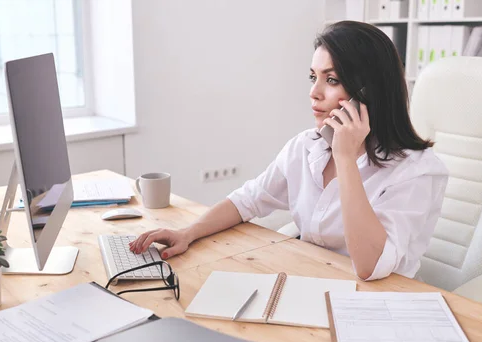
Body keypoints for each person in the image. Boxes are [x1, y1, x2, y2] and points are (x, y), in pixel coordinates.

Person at [130, 21, 448, 281]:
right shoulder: (306, 147)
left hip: (382, 304)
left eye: (332, 79)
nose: (314, 92)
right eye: (313, 77)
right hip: (310, 283)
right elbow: (248, 200)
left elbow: (369, 266)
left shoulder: (416, 171)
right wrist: (189, 232)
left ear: (369, 92)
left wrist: (346, 157)